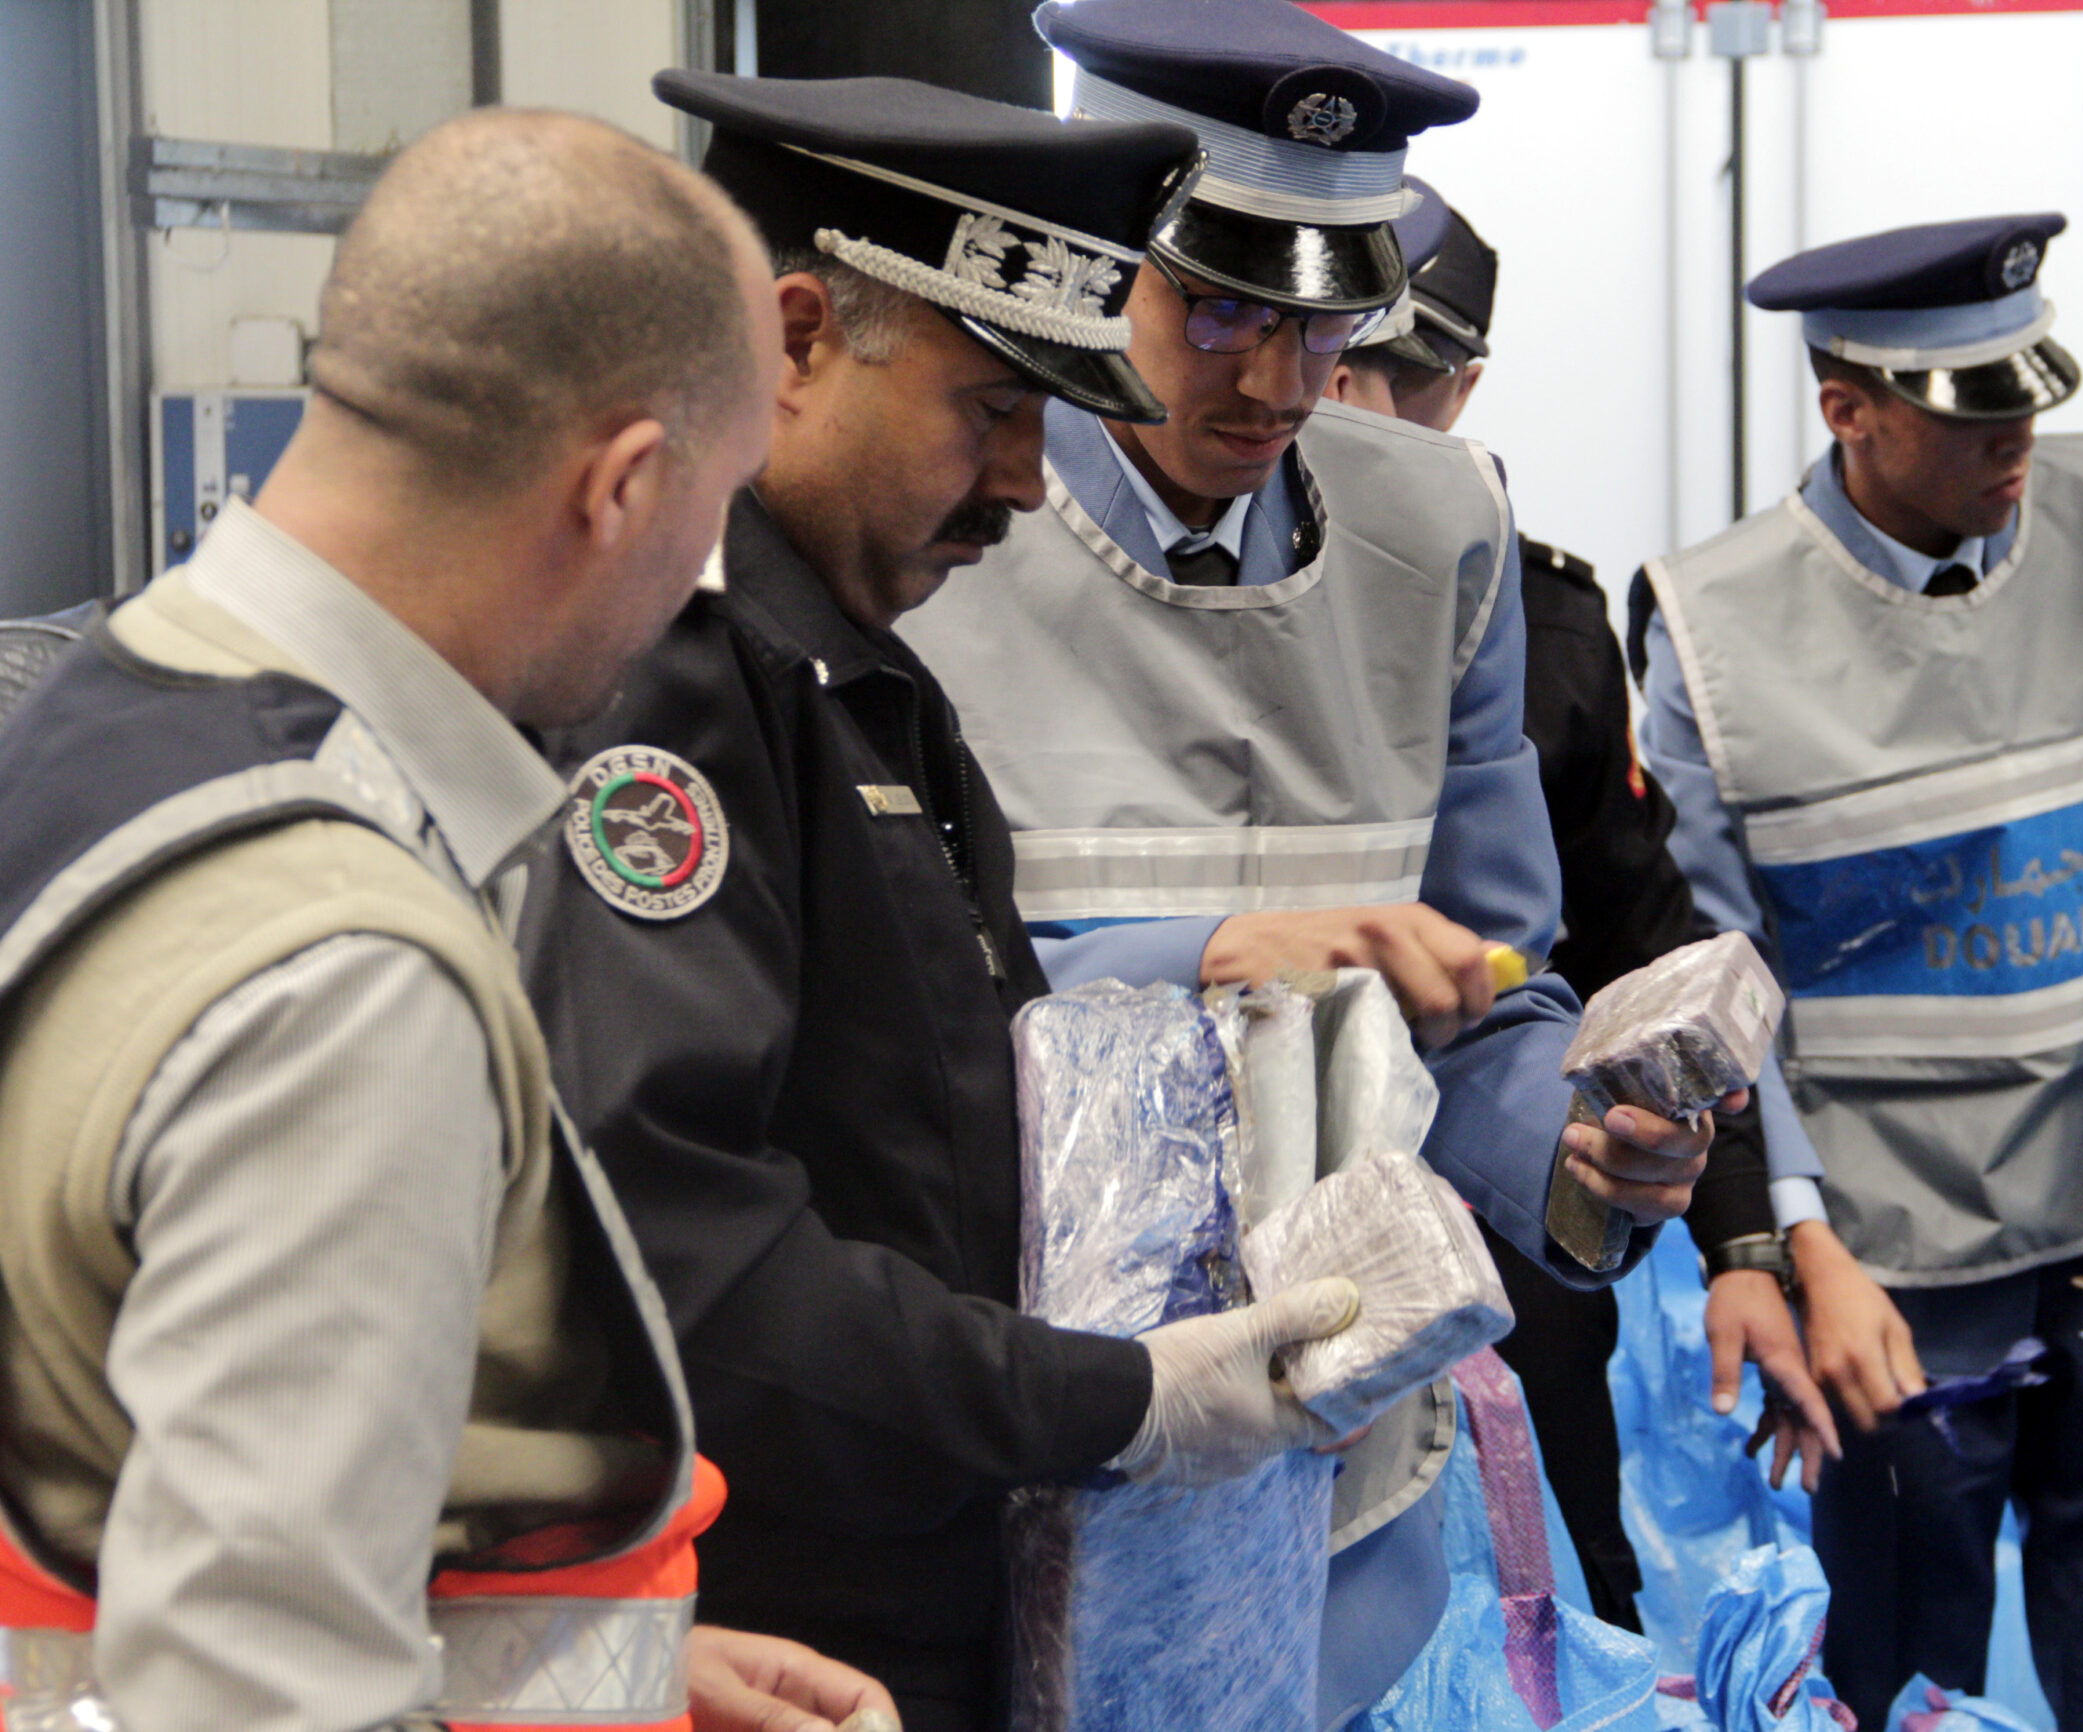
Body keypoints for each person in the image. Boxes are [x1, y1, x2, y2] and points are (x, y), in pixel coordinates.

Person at [0, 108, 898, 1732]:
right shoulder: (343, 977)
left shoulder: (106, 725)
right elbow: (257, 1697)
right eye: (719, 509)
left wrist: (599, 1676)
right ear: (624, 486)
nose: (707, 572)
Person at [899, 2, 1725, 1717]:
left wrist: (1582, 1162)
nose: (1280, 381)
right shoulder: (938, 510)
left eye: (1332, 314)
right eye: (1217, 304)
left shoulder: (1442, 527)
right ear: (1091, 252)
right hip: (994, 1449)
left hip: (1343, 1482)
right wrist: (1198, 954)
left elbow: (1488, 987)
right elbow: (859, 1011)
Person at [519, 74, 1363, 1732]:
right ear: (798, 338)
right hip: (783, 1630)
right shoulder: (680, 685)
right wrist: (1105, 1397)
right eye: (992, 411)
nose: (1031, 486)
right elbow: (693, 1252)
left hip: (918, 1591)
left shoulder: (846, 676)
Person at [1637, 214, 2083, 1732]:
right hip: (1892, 1262)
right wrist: (1798, 1247)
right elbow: (1720, 980)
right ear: (1848, 408)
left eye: (2029, 394)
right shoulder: (1719, 630)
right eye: (1971, 415)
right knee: (1903, 1671)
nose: (2018, 438)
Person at [1322, 176, 1846, 1630]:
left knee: (1567, 1615)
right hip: (1255, 1259)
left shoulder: (1536, 623)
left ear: (1463, 389)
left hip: (1508, 1245)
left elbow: (1649, 946)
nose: (1350, 405)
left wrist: (1745, 1242)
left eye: (1398, 376)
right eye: (1335, 358)